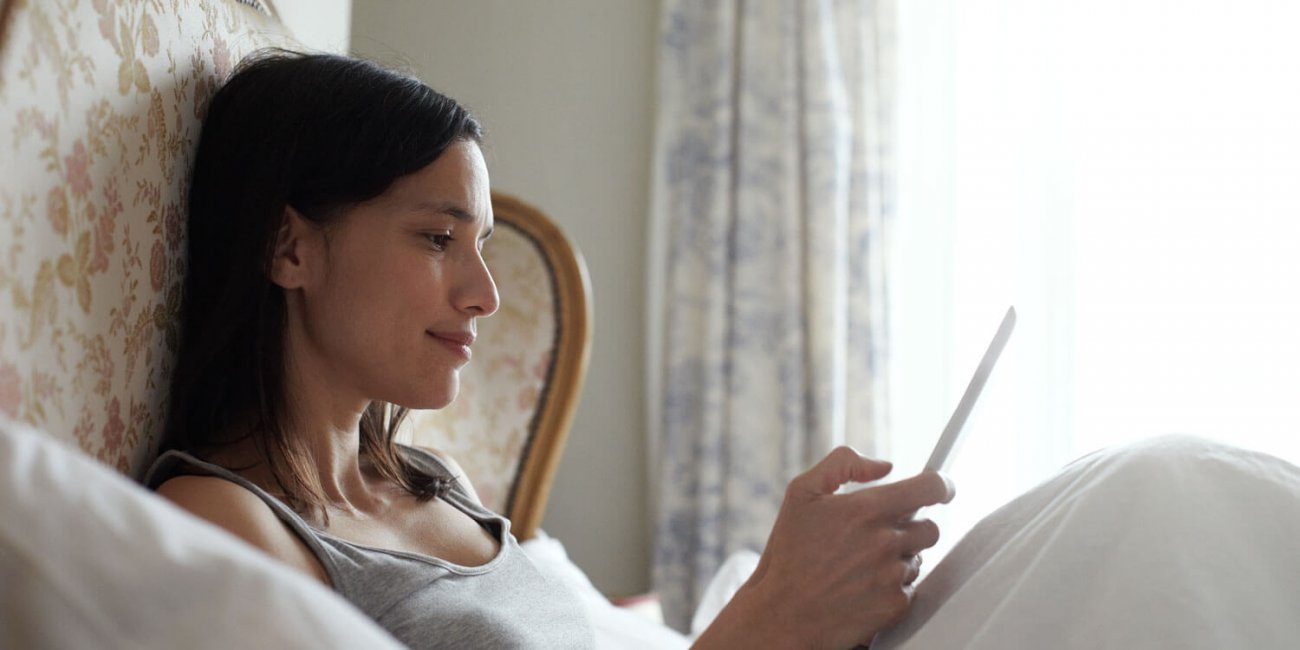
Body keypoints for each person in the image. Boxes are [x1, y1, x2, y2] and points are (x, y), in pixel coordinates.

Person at [148, 50, 953, 649]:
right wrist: (772, 611)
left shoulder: (436, 483)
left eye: (484, 246)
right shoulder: (221, 523)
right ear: (290, 249)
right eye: (437, 237)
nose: (484, 295)